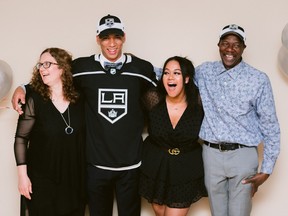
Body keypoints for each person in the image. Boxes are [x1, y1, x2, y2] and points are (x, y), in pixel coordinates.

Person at [12, 14, 158, 216]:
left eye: (117, 36)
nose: (112, 43)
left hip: (131, 165)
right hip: (95, 166)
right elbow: (53, 75)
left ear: (124, 37)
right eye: (106, 37)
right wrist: (22, 88)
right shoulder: (81, 68)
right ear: (98, 39)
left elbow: (164, 93)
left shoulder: (141, 68)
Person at [195, 24, 281, 216]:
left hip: (243, 156)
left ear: (243, 48)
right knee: (217, 213)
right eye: (225, 43)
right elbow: (176, 74)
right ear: (218, 45)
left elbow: (270, 126)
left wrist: (266, 170)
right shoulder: (204, 72)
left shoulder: (258, 79)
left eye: (236, 44)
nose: (230, 49)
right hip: (211, 155)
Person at [14, 47, 86, 216]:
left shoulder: (80, 98)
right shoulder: (34, 100)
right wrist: (22, 177)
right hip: (41, 179)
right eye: (40, 65)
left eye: (47, 64)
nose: (41, 68)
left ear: (62, 68)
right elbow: (21, 139)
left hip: (73, 179)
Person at [139, 56, 207, 216]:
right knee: (160, 212)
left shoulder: (199, 102)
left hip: (186, 167)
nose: (170, 77)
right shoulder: (152, 99)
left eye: (176, 73)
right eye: (166, 73)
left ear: (187, 78)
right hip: (155, 165)